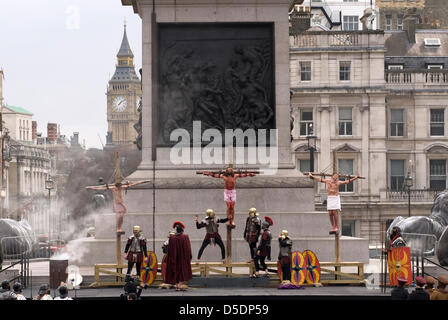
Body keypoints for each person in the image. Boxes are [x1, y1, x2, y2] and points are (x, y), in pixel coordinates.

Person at [165, 221, 193, 291]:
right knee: (181, 272)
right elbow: (188, 248)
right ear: (182, 230)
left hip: (174, 258)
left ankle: (177, 285)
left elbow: (170, 250)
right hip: (182, 258)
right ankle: (180, 285)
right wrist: (189, 256)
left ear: (176, 230)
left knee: (175, 271)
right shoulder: (185, 237)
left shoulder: (172, 238)